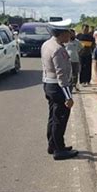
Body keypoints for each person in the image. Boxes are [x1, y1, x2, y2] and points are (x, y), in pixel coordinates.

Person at [41, 19, 79, 160]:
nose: (69, 35)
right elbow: (61, 76)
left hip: (48, 84)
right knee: (60, 119)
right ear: (61, 34)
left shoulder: (47, 44)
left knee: (53, 117)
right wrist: (68, 97)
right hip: (58, 88)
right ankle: (59, 150)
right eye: (67, 32)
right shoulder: (58, 50)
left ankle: (53, 145)